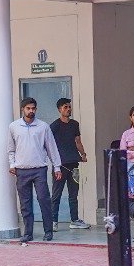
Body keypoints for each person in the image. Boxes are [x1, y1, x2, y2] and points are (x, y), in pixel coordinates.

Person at [7, 97, 62, 243]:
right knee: (25, 203)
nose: (31, 111)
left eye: (33, 108)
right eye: (28, 108)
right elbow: (11, 149)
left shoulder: (43, 126)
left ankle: (48, 231)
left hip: (39, 169)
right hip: (21, 170)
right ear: (22, 109)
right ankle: (28, 233)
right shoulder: (14, 126)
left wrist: (57, 166)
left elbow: (51, 148)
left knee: (44, 199)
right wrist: (12, 164)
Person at [50, 97, 89, 229]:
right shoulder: (54, 126)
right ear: (59, 109)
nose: (68, 109)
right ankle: (53, 221)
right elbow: (49, 144)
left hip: (74, 164)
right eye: (65, 107)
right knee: (57, 194)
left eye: (69, 107)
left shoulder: (74, 124)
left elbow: (78, 141)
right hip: (60, 166)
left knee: (74, 194)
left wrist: (83, 154)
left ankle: (74, 220)